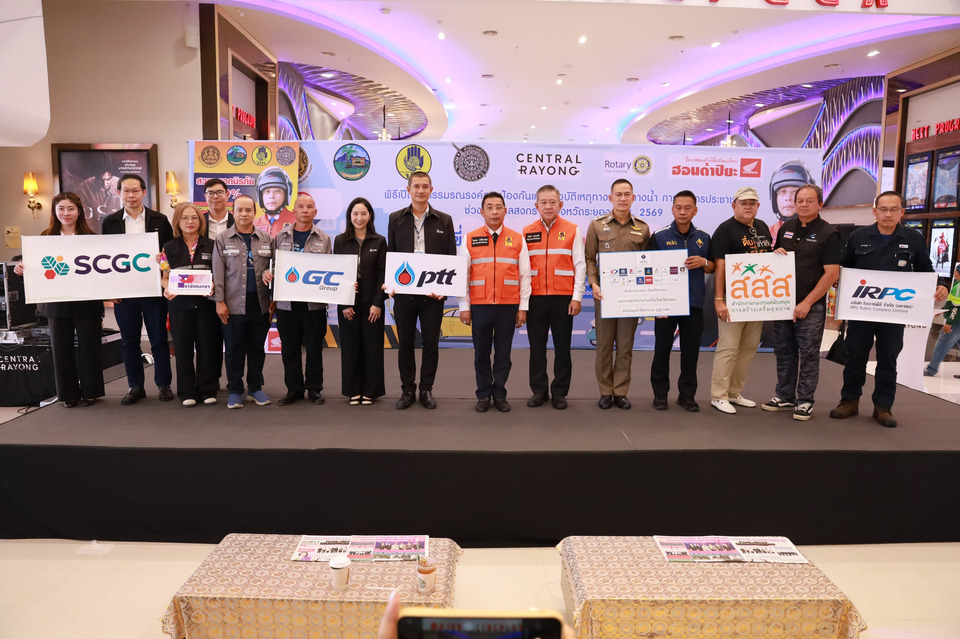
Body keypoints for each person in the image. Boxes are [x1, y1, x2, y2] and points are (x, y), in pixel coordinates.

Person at [830, 191, 948, 427]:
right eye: (883, 209)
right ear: (875, 211)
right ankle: (849, 400)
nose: (888, 214)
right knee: (855, 356)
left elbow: (925, 268)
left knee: (888, 359)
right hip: (862, 310)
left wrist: (941, 284)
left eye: (894, 209)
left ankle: (883, 406)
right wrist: (838, 284)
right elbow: (844, 269)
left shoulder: (913, 238)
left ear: (902, 212)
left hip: (894, 313)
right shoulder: (858, 237)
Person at [14, 192, 104, 407]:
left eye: (71, 208)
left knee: (90, 347)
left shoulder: (91, 238)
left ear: (79, 211)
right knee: (61, 349)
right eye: (61, 209)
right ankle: (68, 394)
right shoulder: (45, 238)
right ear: (55, 212)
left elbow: (101, 268)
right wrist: (23, 270)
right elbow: (37, 267)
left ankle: (90, 391)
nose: (66, 213)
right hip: (56, 302)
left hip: (87, 301)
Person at [762, 184, 841, 421]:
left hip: (811, 305)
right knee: (784, 351)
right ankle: (784, 396)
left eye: (809, 201)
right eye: (800, 201)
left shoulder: (829, 233)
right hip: (783, 303)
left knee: (808, 354)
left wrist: (806, 303)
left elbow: (831, 274)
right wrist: (775, 254)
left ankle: (805, 400)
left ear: (820, 204)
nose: (804, 205)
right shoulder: (786, 228)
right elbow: (775, 263)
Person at [101, 174, 174, 405]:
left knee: (159, 339)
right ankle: (135, 386)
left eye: (135, 190)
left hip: (153, 290)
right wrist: (110, 290)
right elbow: (105, 258)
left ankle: (164, 385)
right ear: (118, 193)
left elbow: (170, 252)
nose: (130, 195)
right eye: (126, 191)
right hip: (124, 293)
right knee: (129, 341)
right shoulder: (110, 222)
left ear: (144, 192)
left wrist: (163, 261)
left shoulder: (160, 220)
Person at [387, 171, 457, 409]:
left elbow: (450, 257)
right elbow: (392, 255)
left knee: (431, 344)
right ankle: (407, 390)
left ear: (431, 190)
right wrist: (392, 285)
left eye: (425, 186)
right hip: (404, 295)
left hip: (433, 296)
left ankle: (426, 389)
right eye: (416, 186)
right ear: (408, 190)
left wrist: (444, 289)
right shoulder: (396, 219)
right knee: (405, 344)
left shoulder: (444, 220)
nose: (420, 190)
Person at [459, 192, 532, 413]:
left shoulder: (517, 239)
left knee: (503, 354)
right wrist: (464, 307)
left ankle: (499, 393)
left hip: (507, 306)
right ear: (482, 212)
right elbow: (463, 276)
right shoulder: (470, 238)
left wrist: (523, 307)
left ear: (505, 211)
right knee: (481, 353)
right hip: (480, 306)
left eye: (498, 207)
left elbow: (525, 276)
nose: (494, 211)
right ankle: (483, 394)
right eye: (489, 207)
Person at [584, 179, 651, 410]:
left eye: (627, 194)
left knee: (625, 346)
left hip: (630, 296)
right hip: (604, 295)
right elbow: (589, 258)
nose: (623, 198)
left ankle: (620, 391)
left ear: (633, 198)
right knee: (603, 346)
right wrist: (593, 284)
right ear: (610, 198)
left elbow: (647, 262)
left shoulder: (642, 228)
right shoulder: (597, 225)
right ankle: (605, 391)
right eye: (618, 194)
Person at [263, 192, 331, 406]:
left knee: (314, 349)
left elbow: (330, 269)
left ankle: (314, 389)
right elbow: (273, 265)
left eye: (309, 207)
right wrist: (269, 273)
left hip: (314, 305)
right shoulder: (281, 237)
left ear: (315, 212)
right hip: (286, 304)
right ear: (294, 211)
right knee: (289, 349)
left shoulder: (324, 238)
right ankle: (294, 389)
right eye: (301, 207)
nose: (305, 210)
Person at [710, 186, 773, 415]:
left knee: (748, 347)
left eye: (752, 203)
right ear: (734, 205)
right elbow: (720, 266)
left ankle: (734, 392)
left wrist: (778, 254)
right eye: (743, 203)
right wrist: (719, 299)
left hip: (757, 297)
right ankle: (719, 395)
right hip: (733, 297)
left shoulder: (762, 227)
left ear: (758, 206)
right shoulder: (725, 229)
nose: (748, 207)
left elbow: (767, 260)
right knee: (728, 347)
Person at [649, 190, 714, 412]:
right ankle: (660, 395)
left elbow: (713, 266)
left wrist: (704, 262)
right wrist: (655, 303)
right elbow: (647, 268)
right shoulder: (659, 236)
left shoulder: (704, 237)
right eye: (678, 207)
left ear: (695, 210)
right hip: (666, 304)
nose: (683, 212)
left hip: (694, 304)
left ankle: (687, 396)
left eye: (687, 208)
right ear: (672, 209)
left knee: (691, 353)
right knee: (661, 351)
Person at [523, 184, 586, 410]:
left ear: (560, 204)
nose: (548, 206)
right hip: (536, 298)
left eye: (552, 202)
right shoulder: (527, 231)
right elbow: (523, 269)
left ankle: (560, 392)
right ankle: (539, 391)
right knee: (536, 348)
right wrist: (523, 301)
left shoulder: (572, 229)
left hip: (563, 298)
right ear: (536, 205)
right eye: (543, 202)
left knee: (562, 347)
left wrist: (577, 296)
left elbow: (580, 265)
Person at [212, 194, 274, 409]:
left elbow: (274, 269)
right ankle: (235, 390)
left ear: (255, 213)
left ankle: (255, 388)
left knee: (257, 348)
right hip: (232, 305)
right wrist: (219, 301)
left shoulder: (267, 239)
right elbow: (218, 273)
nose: (244, 214)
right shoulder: (223, 239)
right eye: (239, 210)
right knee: (233, 349)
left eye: (248, 210)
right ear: (233, 212)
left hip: (260, 303)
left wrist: (273, 296)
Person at [159, 202, 219, 406]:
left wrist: (213, 284)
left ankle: (207, 390)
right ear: (178, 221)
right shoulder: (168, 247)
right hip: (179, 307)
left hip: (206, 307)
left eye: (194, 217)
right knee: (183, 350)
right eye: (184, 218)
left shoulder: (212, 245)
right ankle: (186, 392)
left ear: (200, 221)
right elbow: (165, 277)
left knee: (207, 348)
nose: (190, 221)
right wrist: (167, 288)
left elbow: (217, 275)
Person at [334, 197, 387, 405]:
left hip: (372, 304)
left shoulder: (379, 241)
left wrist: (378, 303)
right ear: (350, 216)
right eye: (355, 214)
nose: (359, 218)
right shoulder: (340, 241)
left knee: (372, 348)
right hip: (348, 304)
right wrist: (344, 303)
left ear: (370, 216)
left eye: (363, 213)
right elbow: (336, 273)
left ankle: (371, 391)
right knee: (350, 348)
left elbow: (383, 274)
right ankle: (353, 390)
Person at [924, 263, 960, 378]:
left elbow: (957, 306)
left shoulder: (958, 286)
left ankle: (931, 370)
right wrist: (944, 310)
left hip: (956, 321)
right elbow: (953, 303)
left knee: (942, 344)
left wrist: (949, 323)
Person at [768, 161, 815, 244]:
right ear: (775, 199)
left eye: (795, 192)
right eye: (783, 192)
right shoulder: (767, 233)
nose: (788, 198)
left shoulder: (820, 232)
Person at [253, 166, 296, 237]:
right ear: (260, 196)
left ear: (286, 195)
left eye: (277, 191)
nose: (271, 196)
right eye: (267, 191)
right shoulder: (255, 224)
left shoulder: (296, 222)